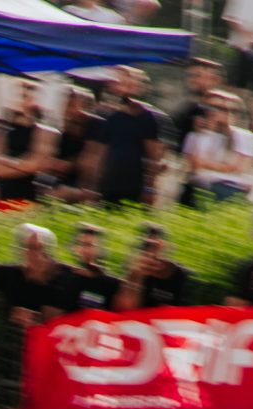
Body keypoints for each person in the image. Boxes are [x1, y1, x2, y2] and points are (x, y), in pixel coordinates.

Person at [83, 67, 164, 206]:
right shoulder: (103, 116)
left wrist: (150, 188)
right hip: (107, 186)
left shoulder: (146, 117)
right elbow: (96, 154)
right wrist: (91, 187)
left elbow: (154, 156)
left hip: (135, 186)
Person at [114, 222, 191, 308]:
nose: (151, 252)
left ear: (165, 247)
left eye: (155, 246)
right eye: (146, 246)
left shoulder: (179, 274)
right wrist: (136, 275)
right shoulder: (135, 270)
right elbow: (124, 307)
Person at [60, 223, 119, 313]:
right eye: (82, 244)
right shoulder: (64, 276)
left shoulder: (112, 285)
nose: (85, 250)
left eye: (90, 245)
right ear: (75, 248)